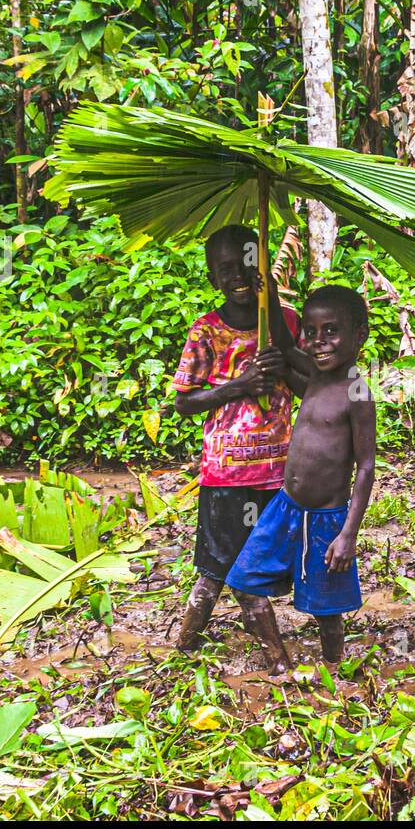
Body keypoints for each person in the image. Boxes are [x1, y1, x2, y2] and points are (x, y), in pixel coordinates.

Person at [171, 224, 304, 672]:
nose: (239, 275)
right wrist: (241, 384)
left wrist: (284, 361)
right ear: (213, 278)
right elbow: (184, 403)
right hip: (226, 474)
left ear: (263, 266)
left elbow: (310, 386)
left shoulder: (286, 322)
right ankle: (276, 660)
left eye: (248, 262)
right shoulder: (206, 332)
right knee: (222, 565)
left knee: (251, 561)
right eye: (226, 269)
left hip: (278, 472)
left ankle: (187, 644)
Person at [223, 284, 376, 663]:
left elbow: (366, 467)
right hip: (284, 508)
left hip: (326, 520)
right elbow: (283, 341)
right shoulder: (315, 372)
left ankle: (334, 671)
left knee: (327, 611)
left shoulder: (357, 393)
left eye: (331, 331)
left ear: (359, 335)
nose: (319, 342)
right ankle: (278, 662)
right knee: (244, 582)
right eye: (311, 332)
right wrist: (268, 291)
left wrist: (347, 535)